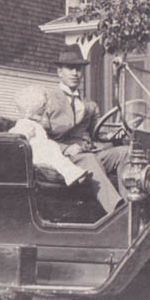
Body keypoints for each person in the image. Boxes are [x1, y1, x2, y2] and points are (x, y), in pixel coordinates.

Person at [44, 44, 128, 213]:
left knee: (126, 152)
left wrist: (114, 135)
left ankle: (132, 205)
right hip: (62, 157)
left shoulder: (89, 105)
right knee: (89, 160)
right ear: (59, 72)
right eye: (70, 68)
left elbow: (97, 134)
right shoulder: (48, 99)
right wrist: (66, 149)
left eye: (79, 69)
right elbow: (40, 137)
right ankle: (118, 212)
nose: (75, 73)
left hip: (89, 152)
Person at [10, 85, 92, 186]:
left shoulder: (35, 123)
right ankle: (72, 175)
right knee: (58, 160)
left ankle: (74, 174)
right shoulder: (24, 123)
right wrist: (26, 135)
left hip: (45, 152)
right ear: (33, 109)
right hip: (36, 155)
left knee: (60, 159)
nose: (44, 112)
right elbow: (15, 137)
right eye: (42, 109)